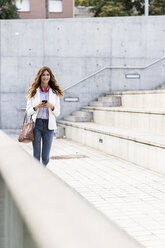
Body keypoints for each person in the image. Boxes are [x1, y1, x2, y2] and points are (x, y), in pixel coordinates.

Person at [26, 66, 64, 166]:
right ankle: (38, 176)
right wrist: (36, 106)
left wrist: (51, 106)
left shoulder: (54, 93)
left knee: (46, 157)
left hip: (49, 126)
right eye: (43, 75)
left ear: (50, 77)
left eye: (47, 75)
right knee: (36, 155)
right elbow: (28, 111)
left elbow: (58, 112)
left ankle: (42, 171)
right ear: (40, 76)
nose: (45, 77)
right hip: (36, 125)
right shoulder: (33, 91)